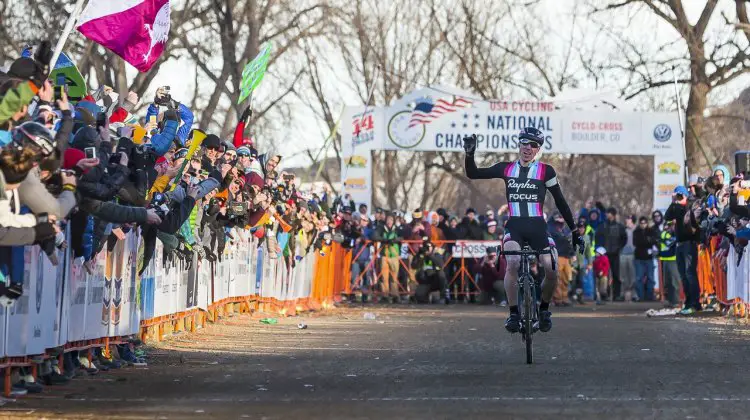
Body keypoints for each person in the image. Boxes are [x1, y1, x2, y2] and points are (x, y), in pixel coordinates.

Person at [463, 128, 583, 333]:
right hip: (515, 227)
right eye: (525, 142)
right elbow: (473, 173)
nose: (528, 147)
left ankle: (544, 310)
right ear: (519, 144)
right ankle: (513, 313)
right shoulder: (506, 168)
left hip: (538, 227)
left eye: (533, 144)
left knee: (551, 268)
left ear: (538, 150)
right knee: (513, 262)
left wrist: (574, 231)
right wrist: (469, 154)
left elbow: (561, 202)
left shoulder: (546, 171)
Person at [665, 185, 702, 315]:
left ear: (685, 195)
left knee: (690, 273)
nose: (679, 197)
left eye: (680, 195)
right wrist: (673, 202)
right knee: (683, 274)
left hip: (689, 243)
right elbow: (667, 216)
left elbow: (692, 218)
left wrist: (682, 202)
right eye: (677, 195)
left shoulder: (691, 205)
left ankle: (695, 303)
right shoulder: (676, 207)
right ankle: (688, 302)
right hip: (679, 244)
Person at [595, 207, 627, 300]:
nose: (607, 215)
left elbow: (624, 239)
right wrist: (600, 250)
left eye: (608, 213)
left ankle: (617, 295)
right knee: (604, 275)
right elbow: (598, 238)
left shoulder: (619, 226)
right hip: (604, 255)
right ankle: (605, 294)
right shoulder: (603, 226)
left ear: (612, 215)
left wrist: (619, 248)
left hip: (615, 254)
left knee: (616, 274)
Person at [412, 239, 449, 304]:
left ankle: (442, 296)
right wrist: (419, 256)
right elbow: (414, 266)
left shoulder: (436, 253)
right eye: (425, 247)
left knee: (441, 274)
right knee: (420, 298)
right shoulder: (420, 255)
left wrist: (430, 255)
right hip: (425, 281)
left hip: (436, 281)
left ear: (432, 247)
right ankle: (426, 296)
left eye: (428, 247)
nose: (426, 249)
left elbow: (440, 264)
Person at [633, 216, 658, 301]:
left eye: (644, 223)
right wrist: (647, 241)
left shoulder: (651, 231)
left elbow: (654, 241)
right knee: (639, 278)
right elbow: (636, 243)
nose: (643, 225)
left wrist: (647, 241)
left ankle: (649, 296)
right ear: (639, 224)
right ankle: (641, 297)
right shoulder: (636, 232)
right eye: (641, 223)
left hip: (649, 258)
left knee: (651, 278)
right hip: (639, 258)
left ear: (647, 223)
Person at [659, 221, 681, 308]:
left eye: (673, 225)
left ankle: (676, 301)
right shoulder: (664, 234)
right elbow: (667, 242)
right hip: (665, 260)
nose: (671, 227)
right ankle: (670, 301)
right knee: (667, 282)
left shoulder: (677, 234)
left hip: (673, 260)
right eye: (670, 225)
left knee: (674, 281)